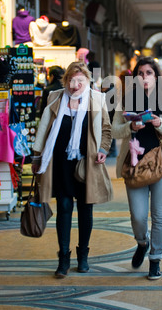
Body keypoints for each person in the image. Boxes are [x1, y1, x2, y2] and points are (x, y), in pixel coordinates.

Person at [32, 62, 113, 278]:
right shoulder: (55, 97)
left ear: (87, 81)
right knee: (65, 206)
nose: (75, 85)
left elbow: (106, 128)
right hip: (59, 163)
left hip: (87, 163)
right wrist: (37, 155)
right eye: (71, 80)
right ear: (66, 80)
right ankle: (64, 259)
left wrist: (104, 149)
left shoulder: (96, 99)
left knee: (86, 209)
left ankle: (83, 256)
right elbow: (44, 127)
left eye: (80, 80)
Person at [112, 57, 162, 280]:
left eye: (149, 73)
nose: (144, 77)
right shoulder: (125, 100)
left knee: (159, 216)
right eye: (140, 73)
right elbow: (114, 130)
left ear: (156, 76)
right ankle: (142, 243)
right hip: (134, 164)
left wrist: (161, 124)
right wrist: (130, 126)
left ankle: (155, 259)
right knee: (138, 216)